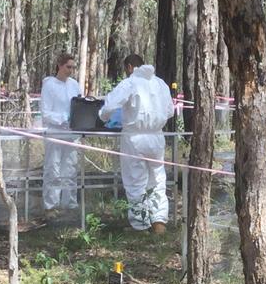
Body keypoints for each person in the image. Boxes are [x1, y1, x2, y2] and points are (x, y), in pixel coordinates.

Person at [99, 54, 174, 233]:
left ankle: (140, 225)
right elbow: (170, 110)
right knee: (157, 179)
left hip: (134, 138)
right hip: (156, 137)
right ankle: (159, 222)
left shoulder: (130, 83)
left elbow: (109, 106)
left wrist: (102, 117)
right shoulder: (160, 83)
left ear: (130, 67)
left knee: (135, 181)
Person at [41, 52, 82, 213]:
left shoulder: (74, 85)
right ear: (59, 65)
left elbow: (79, 105)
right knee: (53, 169)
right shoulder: (49, 85)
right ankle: (51, 206)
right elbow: (46, 113)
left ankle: (70, 204)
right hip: (54, 133)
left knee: (70, 170)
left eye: (72, 67)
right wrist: (64, 118)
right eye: (68, 67)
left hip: (72, 134)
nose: (70, 70)